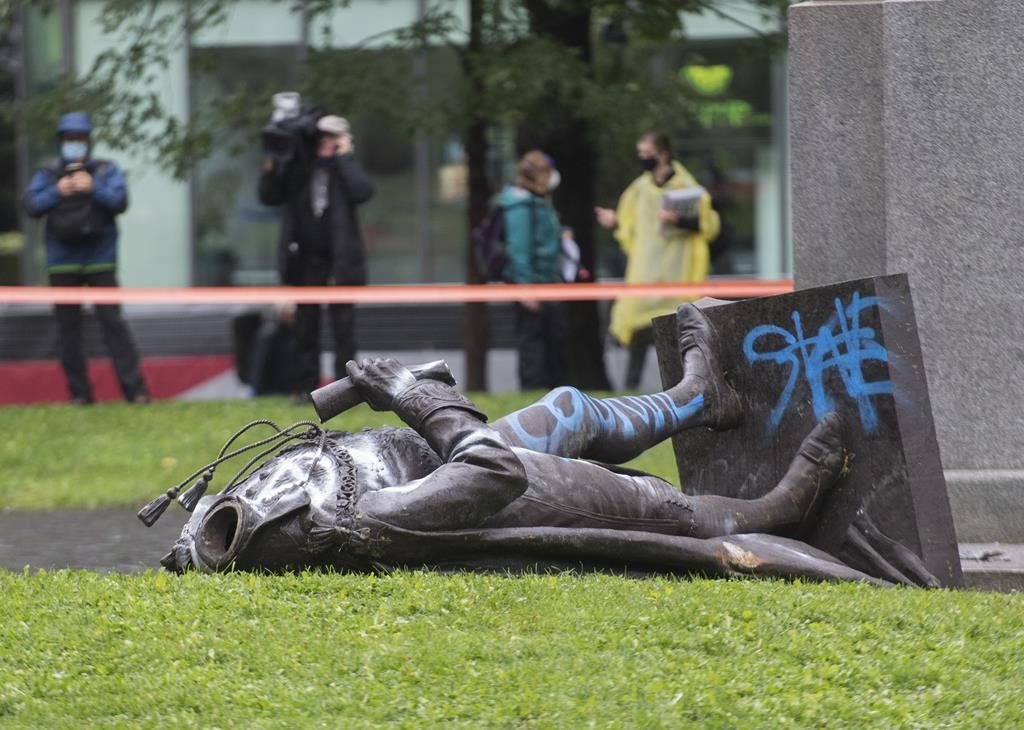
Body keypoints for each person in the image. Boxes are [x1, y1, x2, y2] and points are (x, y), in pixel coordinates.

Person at [148, 303, 936, 585]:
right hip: (491, 482)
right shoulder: (357, 522)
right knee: (663, 510)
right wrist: (418, 398)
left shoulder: (242, 517)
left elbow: (190, 545)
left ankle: (699, 399)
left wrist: (415, 402)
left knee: (569, 408)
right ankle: (782, 508)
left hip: (446, 454)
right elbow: (488, 471)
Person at [22, 112, 149, 405]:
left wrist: (94, 188)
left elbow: (120, 202)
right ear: (60, 142)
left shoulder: (105, 170)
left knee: (113, 324)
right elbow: (30, 206)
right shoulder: (48, 174)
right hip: (62, 260)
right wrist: (57, 192)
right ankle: (79, 394)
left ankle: (136, 392)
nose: (75, 144)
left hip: (100, 259)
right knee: (68, 330)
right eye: (69, 139)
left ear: (88, 141)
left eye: (79, 139)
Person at [257, 113, 374, 401]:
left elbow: (363, 191)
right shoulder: (301, 169)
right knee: (305, 330)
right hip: (305, 261)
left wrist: (343, 157)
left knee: (343, 330)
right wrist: (274, 159)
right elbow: (269, 195)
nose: (325, 141)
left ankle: (346, 390)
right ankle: (306, 389)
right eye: (321, 136)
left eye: (332, 136)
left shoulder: (345, 168)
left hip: (340, 262)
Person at [595, 132, 720, 390]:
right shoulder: (639, 190)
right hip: (644, 278)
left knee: (676, 337)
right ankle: (631, 392)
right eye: (640, 153)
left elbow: (708, 226)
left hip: (676, 278)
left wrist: (679, 220)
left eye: (647, 153)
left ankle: (680, 389)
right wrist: (614, 221)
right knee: (637, 335)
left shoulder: (686, 187)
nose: (642, 158)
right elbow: (629, 224)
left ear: (663, 154)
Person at [498, 150, 566, 389]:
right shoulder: (520, 206)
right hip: (533, 289)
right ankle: (533, 397)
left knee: (553, 349)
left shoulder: (538, 203)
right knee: (533, 350)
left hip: (548, 284)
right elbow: (519, 251)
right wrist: (526, 289)